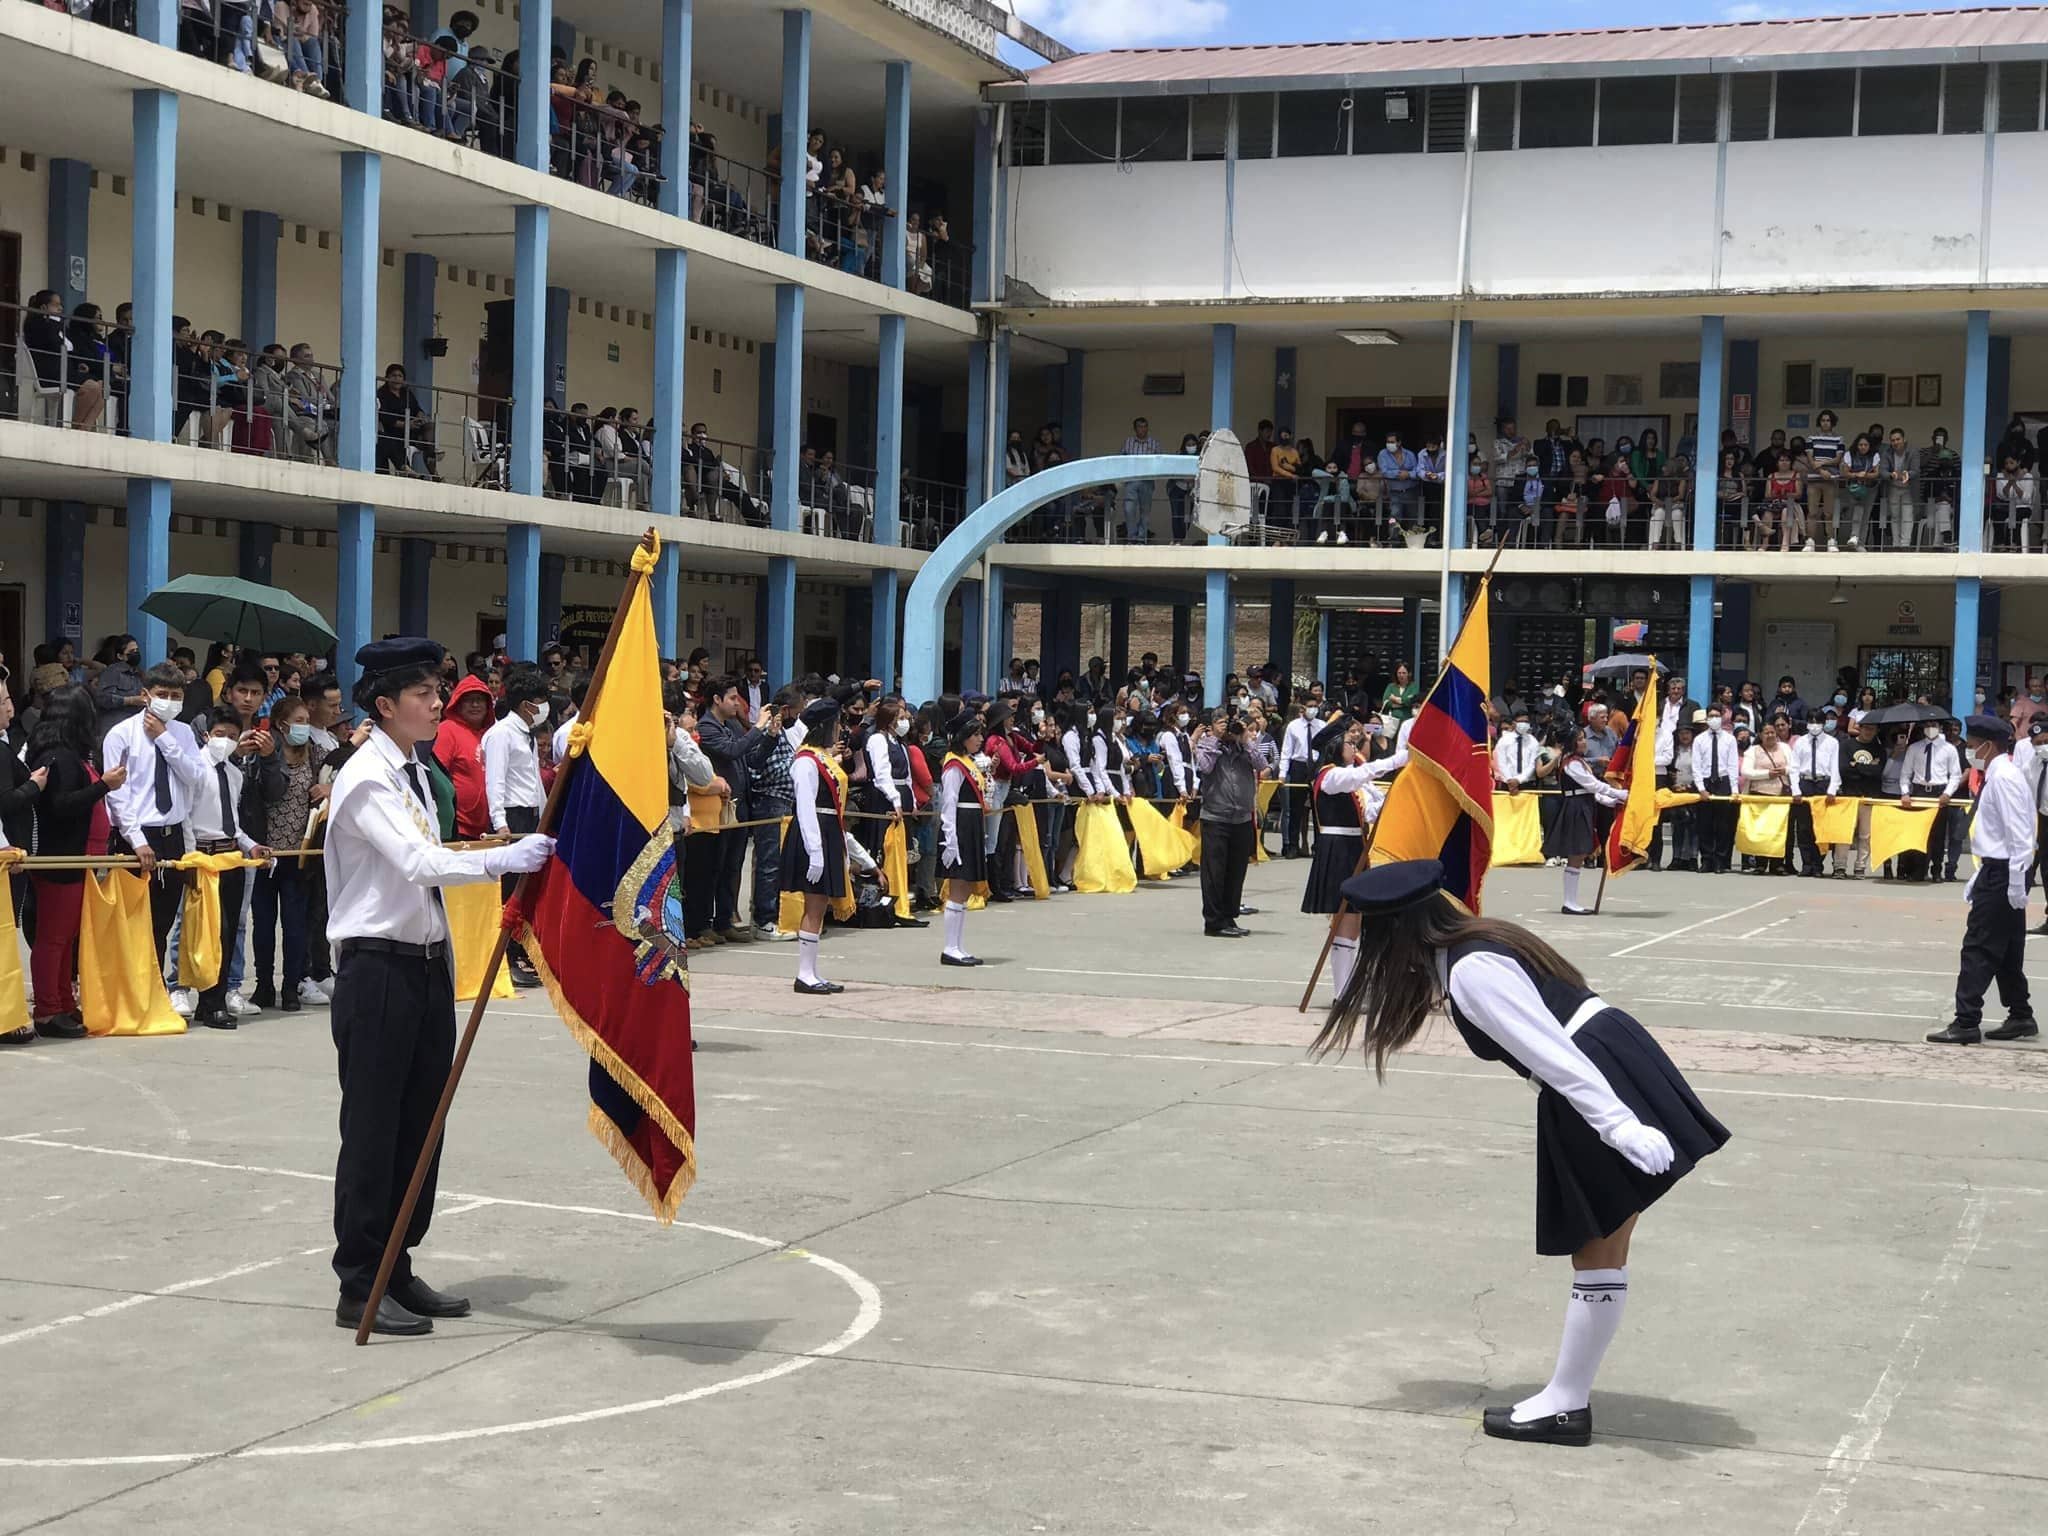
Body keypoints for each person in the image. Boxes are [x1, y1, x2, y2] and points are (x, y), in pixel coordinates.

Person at [1309, 860, 1730, 1445]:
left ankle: (1565, 1404)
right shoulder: (1471, 944)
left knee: (1597, 1249)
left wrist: (1617, 1125)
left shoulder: (1472, 970)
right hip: (1606, 1056)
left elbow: (1551, 1051)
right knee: (1605, 1248)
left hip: (1589, 1077)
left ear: (1398, 931)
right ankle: (1567, 1399)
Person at [323, 638, 553, 1335]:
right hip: (377, 968)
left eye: (436, 690)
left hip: (422, 964)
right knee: (374, 1129)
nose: (436, 702)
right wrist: (503, 860)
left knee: (424, 1122)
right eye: (423, 693)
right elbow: (420, 861)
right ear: (386, 704)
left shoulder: (415, 771)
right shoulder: (367, 777)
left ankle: (399, 1264)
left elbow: (433, 856)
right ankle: (360, 1282)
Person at [1927, 717, 2038, 1045]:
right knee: (2006, 950)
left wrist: (2016, 881)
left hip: (2005, 872)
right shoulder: (2000, 774)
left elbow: (2019, 833)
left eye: (1973, 745)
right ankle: (2020, 1014)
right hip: (1999, 869)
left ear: (1989, 746)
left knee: (1978, 947)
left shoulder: (2003, 778)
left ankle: (1966, 1021)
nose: (1970, 751)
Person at [102, 662, 208, 1000]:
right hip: (137, 835)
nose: (168, 702)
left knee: (163, 920)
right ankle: (129, 990)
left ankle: (155, 987)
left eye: (176, 696)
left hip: (172, 834)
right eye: (162, 695)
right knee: (133, 919)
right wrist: (136, 840)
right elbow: (118, 795)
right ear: (146, 695)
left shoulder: (182, 732)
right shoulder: (121, 734)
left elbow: (195, 776)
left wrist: (164, 740)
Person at [23, 686, 124, 1039]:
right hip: (62, 856)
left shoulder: (67, 754)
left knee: (66, 937)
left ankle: (63, 1000)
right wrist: (104, 787)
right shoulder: (59, 756)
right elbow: (60, 806)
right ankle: (48, 1010)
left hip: (78, 857)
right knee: (53, 937)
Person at [781, 698, 881, 995]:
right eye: (837, 723)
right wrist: (815, 852)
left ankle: (811, 972)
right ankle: (804, 974)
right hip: (814, 834)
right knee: (814, 904)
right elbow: (806, 807)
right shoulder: (806, 760)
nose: (840, 729)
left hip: (829, 831)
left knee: (819, 904)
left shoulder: (823, 757)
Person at [186, 712, 274, 1030]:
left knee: (227, 934)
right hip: (203, 857)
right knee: (207, 933)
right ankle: (205, 1000)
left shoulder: (234, 774)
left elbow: (233, 824)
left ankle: (215, 1001)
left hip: (231, 856)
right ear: (207, 735)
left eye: (232, 736)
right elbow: (186, 816)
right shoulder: (194, 768)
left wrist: (251, 845)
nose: (225, 740)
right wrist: (189, 857)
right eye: (220, 733)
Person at [249, 695, 329, 1013]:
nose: (304, 726)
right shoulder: (267, 753)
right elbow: (272, 791)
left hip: (299, 854)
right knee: (264, 924)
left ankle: (292, 985)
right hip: (266, 853)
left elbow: (346, 776)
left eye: (306, 720)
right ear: (282, 724)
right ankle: (264, 985)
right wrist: (270, 758)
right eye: (298, 721)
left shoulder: (316, 754)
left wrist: (330, 789)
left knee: (296, 925)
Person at [1299, 718, 1381, 996]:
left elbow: (1370, 810)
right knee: (1345, 921)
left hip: (1354, 848)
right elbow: (1359, 776)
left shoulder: (1348, 776)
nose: (1353, 745)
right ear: (1335, 746)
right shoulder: (1330, 777)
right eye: (1348, 741)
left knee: (1354, 921)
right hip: (1338, 851)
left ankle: (1349, 988)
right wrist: (1399, 760)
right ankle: (1342, 992)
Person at [481, 667, 549, 984]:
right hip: (512, 815)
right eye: (540, 701)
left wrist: (546, 816)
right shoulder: (501, 734)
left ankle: (523, 951)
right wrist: (500, 822)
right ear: (526, 705)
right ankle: (508, 958)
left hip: (531, 814)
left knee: (529, 887)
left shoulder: (526, 734)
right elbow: (495, 780)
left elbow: (533, 780)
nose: (543, 707)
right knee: (511, 890)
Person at [1547, 725, 1628, 914]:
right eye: (1580, 739)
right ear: (1572, 743)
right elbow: (1592, 785)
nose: (1584, 742)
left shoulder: (1580, 762)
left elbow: (1593, 792)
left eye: (1584, 738)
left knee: (1580, 854)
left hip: (1584, 806)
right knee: (1577, 853)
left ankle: (1571, 901)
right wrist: (1620, 793)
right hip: (1575, 809)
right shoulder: (1571, 763)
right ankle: (1569, 902)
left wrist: (1612, 800)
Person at [1195, 707, 1260, 938]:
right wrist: (1216, 739)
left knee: (1236, 871)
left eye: (1228, 723)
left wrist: (1244, 738)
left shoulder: (1243, 746)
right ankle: (1213, 922)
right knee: (1215, 872)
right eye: (1221, 723)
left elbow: (1262, 764)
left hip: (1241, 817)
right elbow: (1204, 767)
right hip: (1216, 817)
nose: (1226, 727)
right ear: (1211, 726)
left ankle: (1229, 916)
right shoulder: (1206, 745)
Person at [936, 714, 990, 967]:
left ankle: (958, 945)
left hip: (971, 824)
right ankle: (950, 947)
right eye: (975, 734)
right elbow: (948, 802)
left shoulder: (967, 761)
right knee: (958, 887)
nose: (980, 739)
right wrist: (950, 839)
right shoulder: (953, 764)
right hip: (960, 825)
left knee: (965, 888)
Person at [1901, 718, 1962, 882]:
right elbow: (1905, 773)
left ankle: (1937, 870)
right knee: (1919, 833)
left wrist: (1947, 793)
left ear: (1940, 727)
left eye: (1934, 726)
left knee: (1938, 834)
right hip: (1920, 791)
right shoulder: (1914, 748)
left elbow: (1955, 775)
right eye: (1927, 726)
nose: (1930, 729)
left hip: (1939, 791)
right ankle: (1919, 870)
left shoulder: (1949, 749)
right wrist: (1905, 793)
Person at [1787, 715, 1841, 878]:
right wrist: (1795, 789)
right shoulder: (1800, 742)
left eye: (1818, 722)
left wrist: (1832, 788)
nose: (1815, 725)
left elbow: (1835, 767)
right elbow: (1794, 767)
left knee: (1821, 827)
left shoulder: (1832, 742)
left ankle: (1818, 864)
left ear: (1824, 724)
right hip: (1805, 783)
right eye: (1811, 721)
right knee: (1804, 827)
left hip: (1823, 784)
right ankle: (1806, 864)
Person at [1691, 709, 1741, 873]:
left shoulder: (1730, 739)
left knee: (1723, 825)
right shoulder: (1699, 740)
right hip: (1705, 782)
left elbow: (1733, 765)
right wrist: (1701, 788)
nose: (1714, 719)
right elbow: (1696, 766)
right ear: (1707, 719)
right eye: (1711, 716)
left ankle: (1721, 860)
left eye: (1717, 716)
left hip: (1723, 781)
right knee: (1704, 824)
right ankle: (1706, 860)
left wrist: (1734, 789)